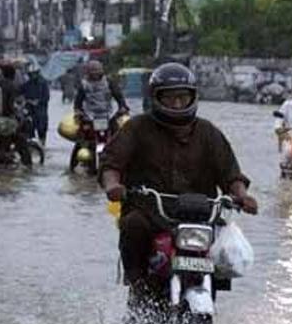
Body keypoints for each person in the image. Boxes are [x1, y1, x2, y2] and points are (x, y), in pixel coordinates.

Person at [99, 63, 257, 288]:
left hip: (199, 215)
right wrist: (113, 186)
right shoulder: (137, 127)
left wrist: (242, 196)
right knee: (132, 224)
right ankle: (136, 281)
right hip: (150, 211)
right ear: (156, 98)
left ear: (193, 97)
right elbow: (111, 163)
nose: (177, 103)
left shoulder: (208, 132)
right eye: (170, 98)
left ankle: (211, 285)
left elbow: (230, 173)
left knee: (223, 248)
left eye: (183, 97)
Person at [20, 63, 50, 144]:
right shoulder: (27, 84)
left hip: (40, 109)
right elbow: (20, 92)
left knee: (42, 127)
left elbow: (46, 97)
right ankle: (31, 144)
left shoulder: (43, 83)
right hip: (29, 109)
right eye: (31, 74)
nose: (32, 76)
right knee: (29, 127)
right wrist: (25, 101)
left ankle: (42, 142)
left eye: (34, 74)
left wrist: (38, 101)